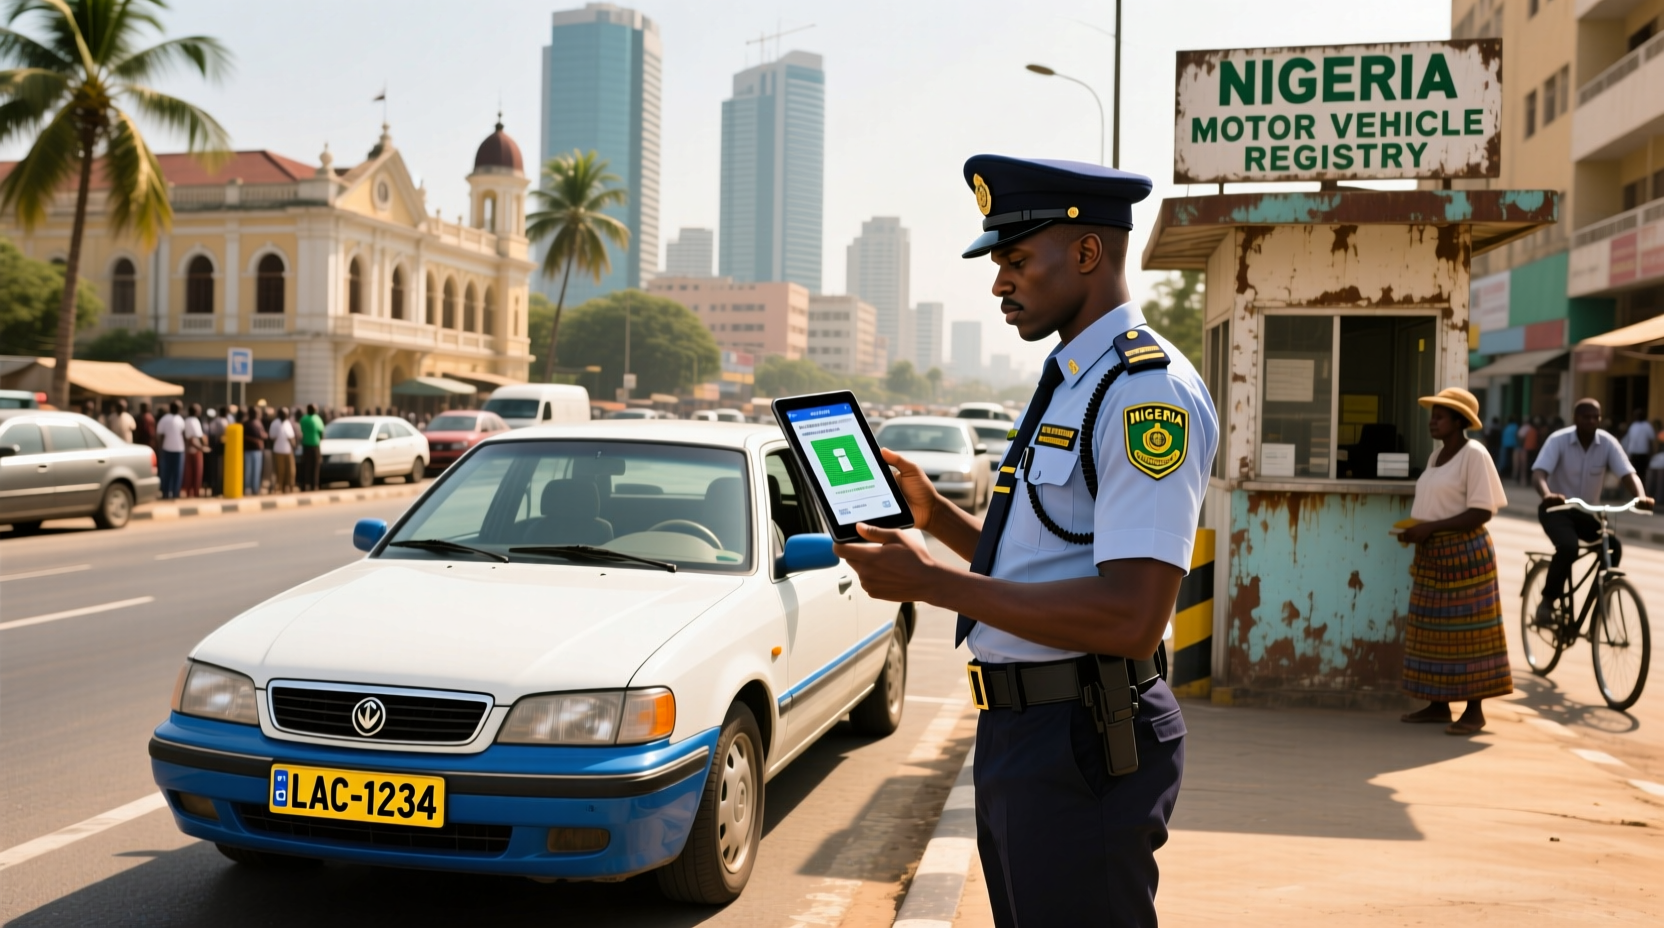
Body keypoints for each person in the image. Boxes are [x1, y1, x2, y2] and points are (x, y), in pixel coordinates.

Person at [834, 155, 1217, 927]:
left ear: (1085, 253)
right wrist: (935, 515)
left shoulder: (1144, 392)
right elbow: (1042, 564)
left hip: (1084, 736)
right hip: (1029, 733)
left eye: (1015, 259)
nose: (1000, 282)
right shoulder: (1076, 379)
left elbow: (1130, 616)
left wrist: (930, 584)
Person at [1396, 389, 1511, 735]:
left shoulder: (1474, 455)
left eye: (1440, 416)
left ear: (1459, 422)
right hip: (1433, 555)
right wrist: (1417, 529)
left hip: (1465, 556)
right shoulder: (1437, 457)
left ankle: (1474, 712)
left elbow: (1480, 511)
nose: (1433, 421)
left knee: (1469, 634)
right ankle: (1438, 704)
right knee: (1432, 631)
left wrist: (1431, 527)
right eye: (1433, 415)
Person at [1533, 398, 1654, 626]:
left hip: (1586, 513)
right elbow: (1538, 473)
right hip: (1556, 510)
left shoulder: (1607, 443)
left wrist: (1640, 496)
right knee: (1568, 547)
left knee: (1613, 546)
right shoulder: (1558, 441)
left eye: (1595, 416)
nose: (1591, 420)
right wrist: (1547, 494)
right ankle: (1547, 602)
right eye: (1585, 416)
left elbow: (1628, 473)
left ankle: (1602, 598)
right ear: (1575, 418)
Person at [154, 400, 187, 500]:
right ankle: (165, 493)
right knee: (166, 473)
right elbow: (160, 435)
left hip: (179, 450)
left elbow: (183, 434)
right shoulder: (165, 419)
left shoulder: (180, 420)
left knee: (177, 473)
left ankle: (175, 493)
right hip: (167, 450)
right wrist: (160, 449)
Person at [239, 408, 267, 496]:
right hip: (248, 450)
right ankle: (247, 488)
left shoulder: (259, 423)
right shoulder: (245, 423)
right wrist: (255, 441)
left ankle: (255, 489)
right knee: (249, 470)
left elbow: (263, 434)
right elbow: (243, 436)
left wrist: (263, 437)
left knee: (257, 471)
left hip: (258, 451)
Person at [298, 403, 325, 491]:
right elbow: (321, 432)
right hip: (315, 445)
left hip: (305, 445)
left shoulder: (303, 419)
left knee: (306, 466)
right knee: (315, 466)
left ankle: (305, 484)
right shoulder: (317, 419)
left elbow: (300, 430)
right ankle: (314, 485)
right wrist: (320, 439)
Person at [269, 408, 296, 494]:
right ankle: (280, 487)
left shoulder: (287, 423)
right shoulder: (275, 423)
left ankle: (290, 487)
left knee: (291, 470)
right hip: (278, 450)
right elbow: (272, 437)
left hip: (288, 450)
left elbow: (291, 436)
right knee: (280, 470)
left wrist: (293, 444)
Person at [1622, 407, 1654, 478]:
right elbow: (1629, 441)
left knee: (1642, 474)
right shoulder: (1633, 426)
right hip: (1634, 454)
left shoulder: (1647, 426)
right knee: (1634, 473)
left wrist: (1651, 453)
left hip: (1643, 454)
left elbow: (1650, 441)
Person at [182, 403, 206, 498]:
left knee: (189, 473)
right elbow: (193, 438)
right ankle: (195, 492)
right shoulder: (194, 421)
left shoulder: (186, 420)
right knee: (197, 473)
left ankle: (189, 492)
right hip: (195, 450)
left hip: (188, 450)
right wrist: (201, 448)